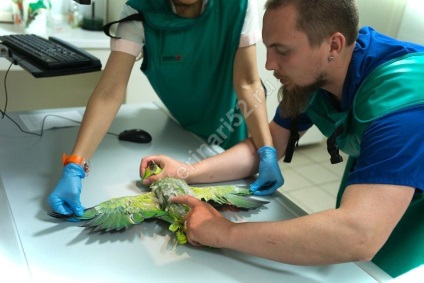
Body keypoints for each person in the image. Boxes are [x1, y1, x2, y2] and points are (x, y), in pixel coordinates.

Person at [140, 0, 424, 278]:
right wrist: (186, 171)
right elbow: (271, 143)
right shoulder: (322, 71)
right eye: (268, 48)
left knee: (369, 271)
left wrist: (225, 232)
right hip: (380, 162)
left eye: (283, 51)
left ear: (334, 45)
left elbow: (359, 235)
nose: (269, 64)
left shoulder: (399, 107)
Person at [48, 1, 284, 219]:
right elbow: (109, 92)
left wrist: (266, 151)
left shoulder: (237, 7)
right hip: (182, 132)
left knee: (230, 212)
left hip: (231, 128)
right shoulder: (140, 12)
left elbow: (248, 83)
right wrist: (75, 165)